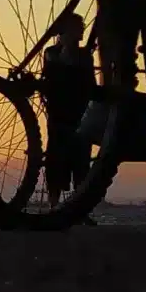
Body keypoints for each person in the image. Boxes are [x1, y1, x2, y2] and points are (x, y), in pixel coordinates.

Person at [42, 15, 95, 198]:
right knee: (56, 159)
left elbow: (91, 86)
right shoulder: (52, 53)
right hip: (60, 114)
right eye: (77, 27)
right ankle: (54, 203)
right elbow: (59, 69)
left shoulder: (84, 55)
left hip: (80, 114)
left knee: (81, 162)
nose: (81, 31)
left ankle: (79, 208)